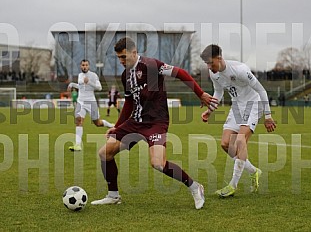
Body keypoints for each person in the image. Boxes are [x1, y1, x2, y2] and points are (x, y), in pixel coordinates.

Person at [90, 37, 217, 210]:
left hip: (156, 122)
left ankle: (195, 187)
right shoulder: (125, 75)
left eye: (124, 57)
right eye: (118, 57)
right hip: (135, 122)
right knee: (105, 153)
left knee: (158, 163)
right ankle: (113, 195)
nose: (121, 61)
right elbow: (129, 103)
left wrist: (200, 93)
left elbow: (180, 73)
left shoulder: (152, 65)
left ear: (134, 53)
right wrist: (118, 126)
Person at [200, 44, 276, 197]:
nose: (209, 66)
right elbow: (219, 91)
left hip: (253, 104)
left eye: (210, 62)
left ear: (219, 58)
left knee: (240, 141)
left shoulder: (240, 70)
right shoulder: (214, 74)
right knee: (225, 143)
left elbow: (261, 90)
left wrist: (268, 116)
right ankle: (254, 171)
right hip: (237, 106)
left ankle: (232, 186)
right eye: (206, 64)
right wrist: (210, 110)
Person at [67, 59, 114, 151]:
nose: (84, 66)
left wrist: (89, 82)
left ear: (89, 66)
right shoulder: (80, 75)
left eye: (86, 65)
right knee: (78, 121)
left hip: (91, 102)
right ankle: (77, 145)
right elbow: (81, 86)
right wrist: (72, 84)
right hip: (81, 102)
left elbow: (99, 88)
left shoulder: (93, 75)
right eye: (83, 65)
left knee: (98, 123)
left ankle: (112, 126)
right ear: (80, 66)